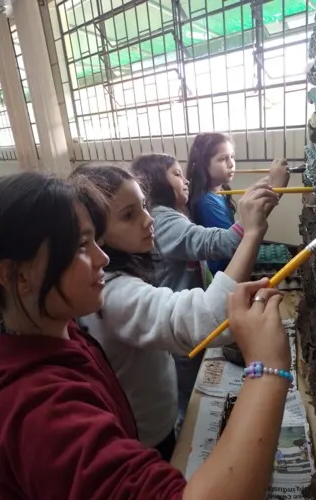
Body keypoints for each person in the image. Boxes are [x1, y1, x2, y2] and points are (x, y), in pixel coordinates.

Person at [0, 171, 292, 499]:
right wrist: (267, 369)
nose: (102, 257)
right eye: (81, 246)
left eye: (95, 239)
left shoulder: (63, 334)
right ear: (16, 275)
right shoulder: (39, 408)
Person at [70, 165, 276, 460]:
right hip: (145, 437)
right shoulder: (112, 295)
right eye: (129, 215)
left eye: (144, 206)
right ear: (95, 234)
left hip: (157, 418)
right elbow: (207, 318)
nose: (148, 219)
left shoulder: (123, 273)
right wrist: (252, 232)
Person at [130, 153, 277, 428]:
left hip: (186, 316)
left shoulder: (172, 215)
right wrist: (254, 218)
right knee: (187, 396)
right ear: (155, 183)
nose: (184, 180)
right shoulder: (162, 220)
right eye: (175, 174)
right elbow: (217, 243)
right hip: (181, 321)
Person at [184, 132, 290, 274]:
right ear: (202, 165)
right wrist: (276, 191)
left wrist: (271, 183)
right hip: (224, 271)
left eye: (232, 157)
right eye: (222, 159)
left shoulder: (219, 192)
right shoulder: (206, 202)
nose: (231, 164)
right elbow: (234, 245)